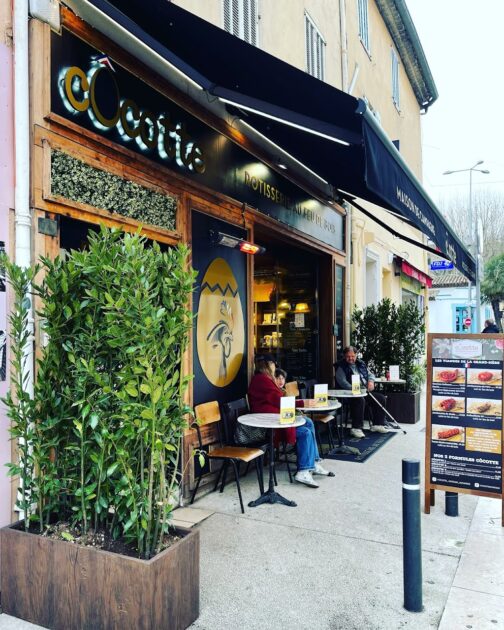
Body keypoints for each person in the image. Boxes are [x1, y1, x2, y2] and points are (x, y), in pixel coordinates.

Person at [247, 354, 333, 488]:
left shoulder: (263, 379)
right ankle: (303, 471)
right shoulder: (262, 380)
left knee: (308, 422)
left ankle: (313, 462)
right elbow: (280, 400)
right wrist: (302, 403)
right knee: (305, 432)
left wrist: (300, 403)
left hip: (275, 418)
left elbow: (279, 399)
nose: (275, 367)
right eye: (274, 364)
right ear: (269, 364)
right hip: (269, 425)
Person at [334, 346, 389, 438]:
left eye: (353, 356)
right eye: (348, 356)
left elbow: (370, 374)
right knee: (360, 400)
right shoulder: (341, 367)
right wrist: (355, 389)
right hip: (349, 394)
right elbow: (343, 382)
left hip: (363, 391)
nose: (350, 358)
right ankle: (356, 428)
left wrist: (371, 382)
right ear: (344, 356)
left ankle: (377, 424)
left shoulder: (361, 364)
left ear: (356, 355)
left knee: (380, 398)